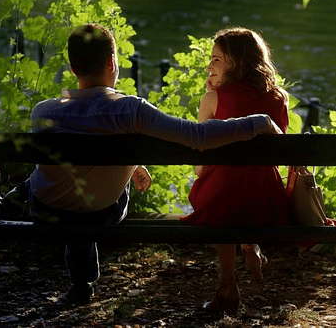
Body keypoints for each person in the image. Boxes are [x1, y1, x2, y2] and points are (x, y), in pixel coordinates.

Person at [22, 24, 282, 305]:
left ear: (73, 69)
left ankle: (81, 282)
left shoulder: (43, 111)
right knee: (87, 198)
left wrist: (131, 164)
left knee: (70, 188)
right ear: (112, 63)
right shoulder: (129, 110)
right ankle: (82, 278)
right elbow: (198, 137)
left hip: (46, 211)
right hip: (101, 211)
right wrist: (259, 121)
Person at [181, 26, 290, 314]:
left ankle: (228, 284)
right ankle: (250, 245)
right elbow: (275, 155)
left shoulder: (212, 100)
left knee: (219, 190)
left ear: (238, 62)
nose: (209, 66)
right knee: (244, 183)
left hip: (224, 201)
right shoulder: (279, 98)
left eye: (216, 59)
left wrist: (212, 97)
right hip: (266, 201)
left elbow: (201, 168)